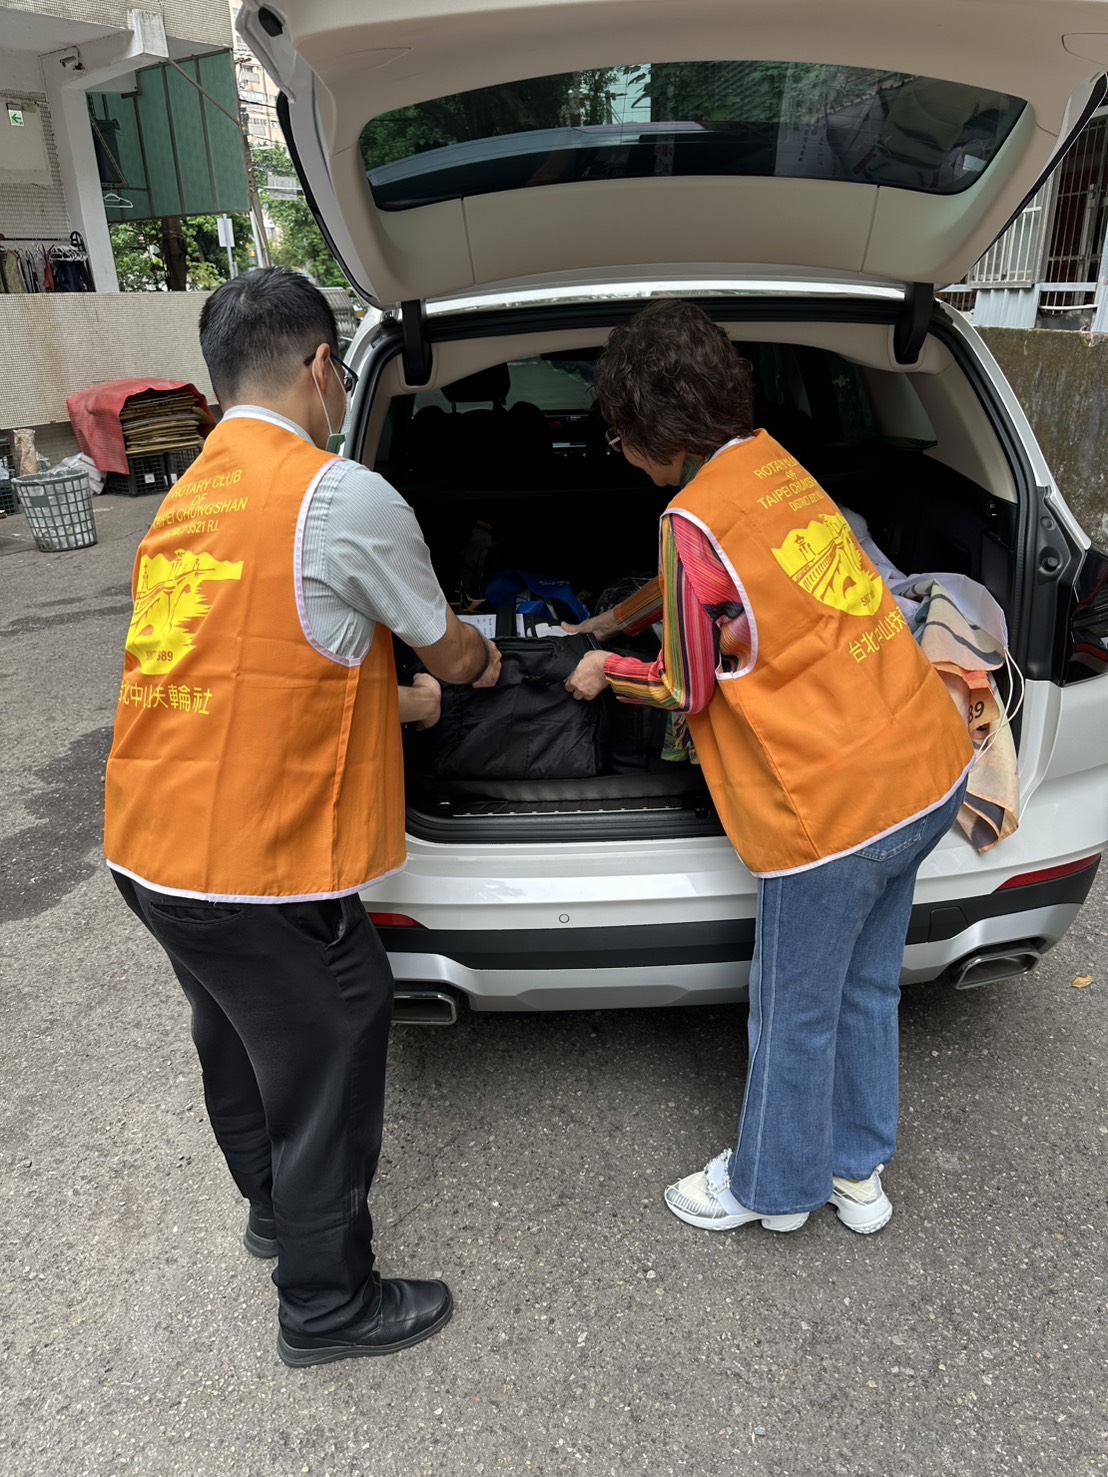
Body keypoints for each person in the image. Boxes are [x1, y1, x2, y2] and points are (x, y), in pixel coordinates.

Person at [103, 267, 500, 1366]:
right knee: (334, 1034)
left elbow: (258, 658)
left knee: (233, 1030)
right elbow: (449, 653)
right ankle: (326, 1305)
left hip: (148, 844)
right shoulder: (339, 494)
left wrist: (396, 703)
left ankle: (274, 1211)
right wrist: (479, 661)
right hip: (253, 865)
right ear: (324, 367)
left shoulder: (186, 499)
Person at [564, 299, 973, 1237]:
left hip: (835, 813)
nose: (622, 455)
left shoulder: (687, 519)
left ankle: (772, 1188)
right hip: (925, 768)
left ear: (657, 432)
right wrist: (619, 616)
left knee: (791, 1009)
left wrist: (604, 666)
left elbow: (685, 686)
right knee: (866, 985)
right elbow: (718, 587)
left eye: (622, 436)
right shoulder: (770, 463)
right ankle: (858, 1172)